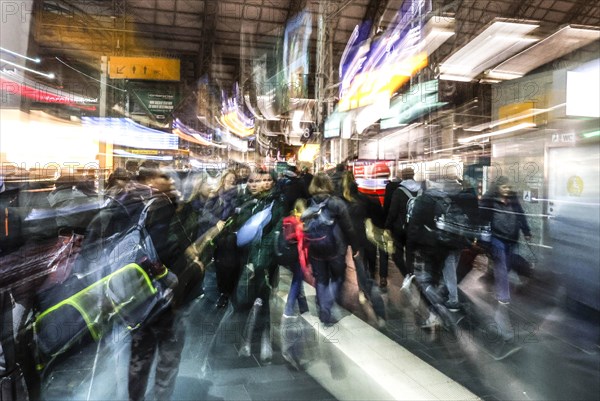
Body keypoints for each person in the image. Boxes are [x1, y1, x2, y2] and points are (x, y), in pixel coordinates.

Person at [304, 172, 359, 325]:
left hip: (315, 248)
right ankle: (327, 304)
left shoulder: (310, 202)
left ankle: (324, 309)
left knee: (321, 279)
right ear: (329, 185)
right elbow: (348, 227)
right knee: (338, 278)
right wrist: (355, 246)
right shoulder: (336, 203)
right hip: (336, 248)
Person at [480, 176, 532, 305]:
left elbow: (521, 215)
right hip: (496, 237)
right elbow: (482, 219)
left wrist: (526, 231)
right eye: (504, 187)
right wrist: (483, 240)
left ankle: (489, 279)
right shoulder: (489, 200)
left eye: (509, 187)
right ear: (497, 188)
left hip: (512, 238)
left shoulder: (513, 199)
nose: (507, 190)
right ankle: (503, 296)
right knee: (502, 265)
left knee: (505, 265)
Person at [385, 167, 423, 280]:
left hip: (400, 228)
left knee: (397, 254)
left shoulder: (399, 191)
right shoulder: (421, 191)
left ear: (403, 176)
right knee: (411, 253)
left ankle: (406, 274)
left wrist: (387, 225)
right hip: (416, 228)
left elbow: (393, 212)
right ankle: (411, 273)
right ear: (413, 175)